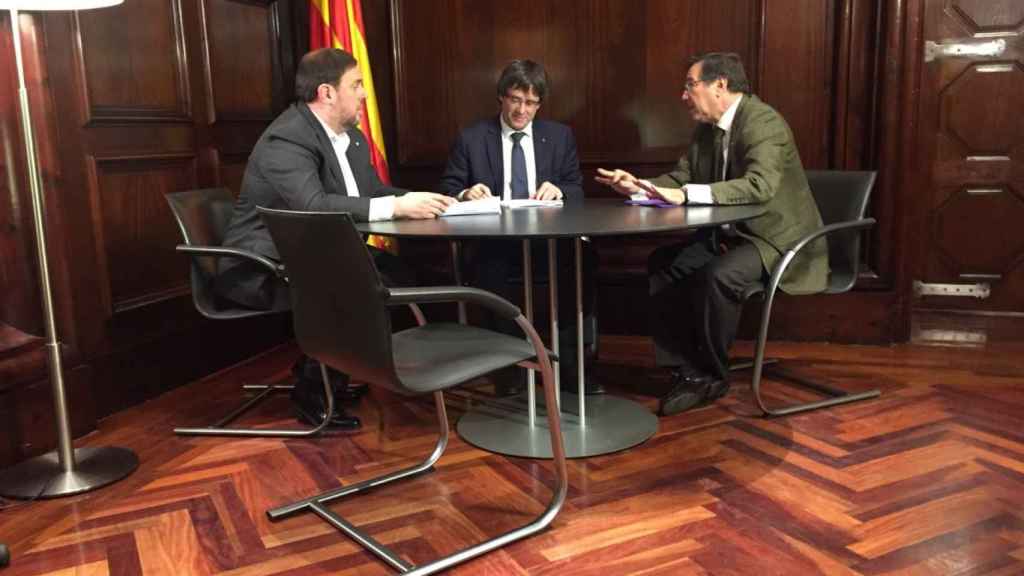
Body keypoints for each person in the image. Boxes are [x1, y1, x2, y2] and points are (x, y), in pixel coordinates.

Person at [216, 48, 455, 429]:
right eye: (357, 85)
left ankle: (328, 366)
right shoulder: (287, 140)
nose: (364, 95)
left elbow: (372, 192)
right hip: (261, 267)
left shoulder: (352, 137)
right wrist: (396, 208)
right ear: (327, 93)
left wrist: (432, 202)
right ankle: (315, 387)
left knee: (402, 272)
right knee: (363, 284)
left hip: (314, 255)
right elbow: (312, 205)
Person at [596, 52, 827, 416]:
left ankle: (711, 377)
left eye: (690, 85)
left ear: (720, 85)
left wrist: (685, 195)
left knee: (721, 276)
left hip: (776, 240)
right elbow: (681, 178)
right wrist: (638, 187)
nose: (683, 95)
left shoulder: (763, 122)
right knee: (664, 263)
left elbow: (759, 186)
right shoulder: (706, 129)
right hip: (734, 235)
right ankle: (685, 371)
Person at [439, 59, 600, 395]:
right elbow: (448, 188)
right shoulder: (472, 138)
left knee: (582, 264)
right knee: (488, 272)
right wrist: (466, 192)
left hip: (548, 241)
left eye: (531, 103)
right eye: (515, 99)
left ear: (540, 103)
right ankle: (511, 373)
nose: (522, 110)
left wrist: (560, 190)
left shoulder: (559, 136)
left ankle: (573, 371)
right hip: (495, 243)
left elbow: (576, 187)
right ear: (501, 97)